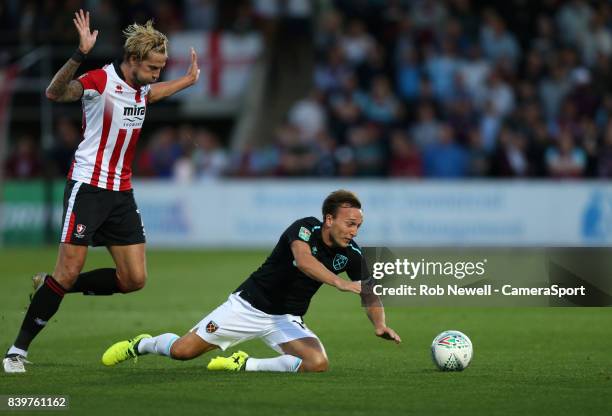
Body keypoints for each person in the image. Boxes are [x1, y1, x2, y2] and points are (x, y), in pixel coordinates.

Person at [3, 9, 200, 373]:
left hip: (121, 194)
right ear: (134, 59)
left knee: (134, 279)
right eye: (154, 67)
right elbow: (54, 92)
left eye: (161, 69)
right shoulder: (99, 81)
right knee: (67, 272)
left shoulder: (141, 89)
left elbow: (152, 95)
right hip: (88, 188)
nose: (157, 75)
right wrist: (80, 54)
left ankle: (50, 286)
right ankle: (17, 350)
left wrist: (186, 81)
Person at [101, 190, 401, 373]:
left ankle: (245, 363)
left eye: (358, 225)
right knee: (182, 352)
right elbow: (303, 261)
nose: (354, 231)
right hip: (248, 307)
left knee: (317, 364)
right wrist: (339, 283)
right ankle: (143, 345)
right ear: (329, 219)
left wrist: (378, 324)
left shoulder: (351, 253)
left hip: (285, 318)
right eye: (350, 224)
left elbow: (370, 292)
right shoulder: (304, 229)